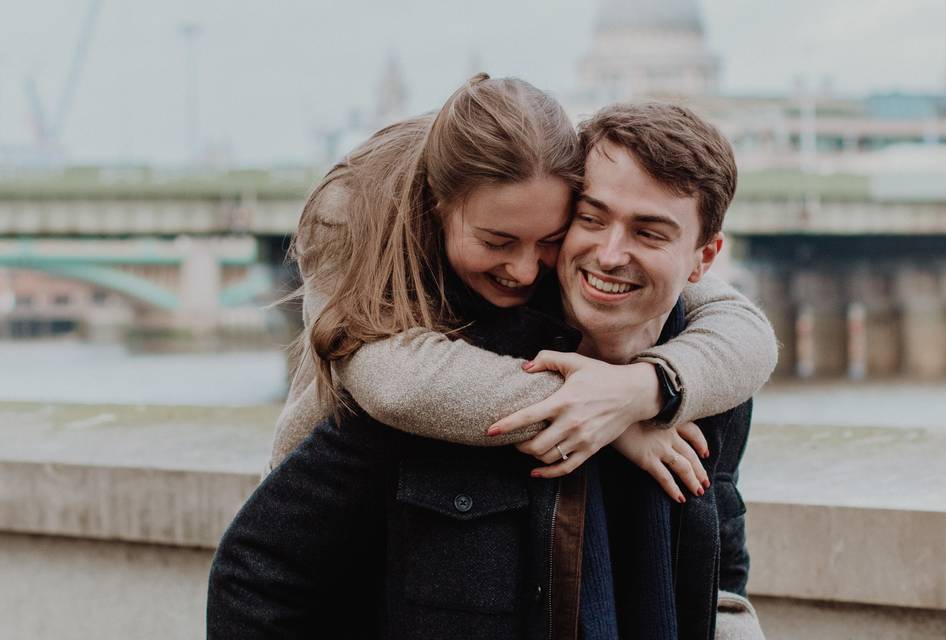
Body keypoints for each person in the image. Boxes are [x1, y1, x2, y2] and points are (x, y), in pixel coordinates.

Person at [208, 75, 773, 639]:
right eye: (593, 220)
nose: (527, 270)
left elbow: (718, 576)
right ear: (438, 212)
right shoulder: (366, 241)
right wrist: (593, 410)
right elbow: (383, 383)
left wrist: (645, 391)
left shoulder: (697, 374)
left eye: (548, 238)